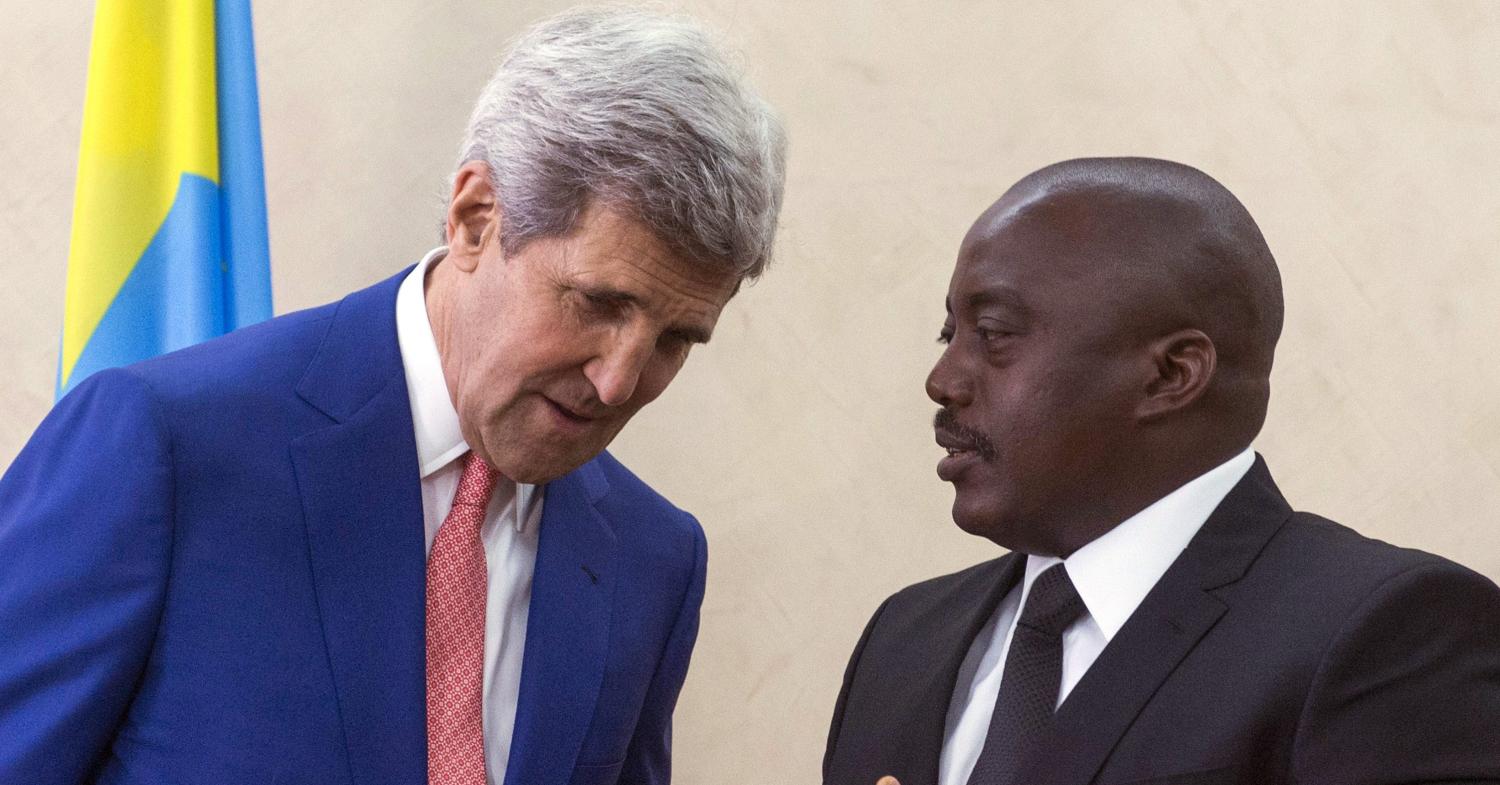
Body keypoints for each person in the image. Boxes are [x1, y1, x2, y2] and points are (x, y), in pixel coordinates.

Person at [0, 8, 784, 785]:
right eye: (598, 303)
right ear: (476, 217)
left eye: (675, 339)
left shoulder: (655, 560)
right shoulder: (163, 449)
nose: (619, 380)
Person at [823, 157, 1500, 785]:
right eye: (950, 336)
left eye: (994, 333)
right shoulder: (905, 637)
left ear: (1172, 374)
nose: (943, 380)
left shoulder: (1388, 635)